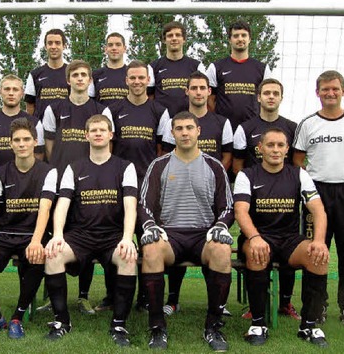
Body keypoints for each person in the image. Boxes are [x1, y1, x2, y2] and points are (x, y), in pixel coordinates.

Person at [139, 111, 234, 351]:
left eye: (189, 128)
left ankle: (213, 327)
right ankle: (157, 327)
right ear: (172, 133)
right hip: (170, 236)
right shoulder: (159, 165)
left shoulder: (214, 166)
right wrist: (151, 226)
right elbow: (145, 205)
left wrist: (221, 226)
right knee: (151, 250)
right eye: (179, 128)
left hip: (204, 235)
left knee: (222, 251)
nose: (184, 133)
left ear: (198, 131)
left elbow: (227, 207)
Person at [292, 70, 344, 327]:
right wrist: (310, 187)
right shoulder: (307, 124)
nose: (330, 93)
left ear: (343, 91)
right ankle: (316, 307)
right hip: (316, 194)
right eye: (325, 89)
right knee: (314, 250)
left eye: (335, 89)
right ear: (317, 92)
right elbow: (297, 162)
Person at [43, 114, 138, 347]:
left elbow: (130, 206)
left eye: (102, 130)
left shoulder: (125, 167)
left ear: (110, 134)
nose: (98, 134)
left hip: (112, 235)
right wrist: (57, 235)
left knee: (128, 258)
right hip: (80, 235)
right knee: (53, 255)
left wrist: (127, 238)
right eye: (93, 130)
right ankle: (62, 322)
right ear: (86, 136)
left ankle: (119, 325)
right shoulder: (73, 168)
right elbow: (62, 204)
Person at [234, 128, 329, 347]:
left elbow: (318, 210)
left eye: (280, 145)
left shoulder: (298, 174)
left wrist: (319, 241)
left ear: (287, 149)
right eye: (270, 145)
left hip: (289, 239)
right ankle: (258, 323)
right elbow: (241, 211)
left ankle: (309, 325)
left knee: (319, 256)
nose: (275, 150)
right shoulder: (247, 175)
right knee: (257, 252)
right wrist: (255, 237)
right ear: (260, 149)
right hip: (258, 236)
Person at [0, 117, 56, 339]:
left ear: (35, 142)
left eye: (27, 139)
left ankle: (17, 317)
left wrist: (37, 241)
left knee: (38, 256)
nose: (22, 144)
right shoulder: (0, 172)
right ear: (11, 144)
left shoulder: (48, 172)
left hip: (32, 234)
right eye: (17, 140)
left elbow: (44, 210)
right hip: (4, 233)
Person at [160, 71, 233, 316]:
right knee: (176, 233)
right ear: (187, 91)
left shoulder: (221, 122)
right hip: (179, 187)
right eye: (194, 88)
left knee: (213, 244)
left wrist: (211, 177)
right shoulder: (176, 122)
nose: (199, 92)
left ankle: (217, 306)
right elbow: (170, 154)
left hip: (208, 188)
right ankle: (172, 300)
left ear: (208, 91)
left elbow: (228, 157)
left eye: (203, 88)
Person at [43, 59, 112, 314]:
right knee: (55, 238)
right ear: (68, 79)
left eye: (84, 74)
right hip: (61, 185)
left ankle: (83, 296)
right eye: (75, 75)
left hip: (89, 186)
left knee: (88, 236)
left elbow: (105, 147)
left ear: (90, 80)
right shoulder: (54, 108)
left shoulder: (100, 110)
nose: (80, 78)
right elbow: (50, 147)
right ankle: (53, 295)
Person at [0, 74, 44, 313]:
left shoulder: (34, 121)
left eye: (15, 89)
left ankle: (22, 309)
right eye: (7, 89)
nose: (11, 93)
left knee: (31, 253)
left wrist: (25, 179)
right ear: (0, 92)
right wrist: (0, 178)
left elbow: (39, 157)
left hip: (27, 197)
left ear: (22, 93)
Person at [232, 78, 300, 321]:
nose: (271, 97)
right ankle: (256, 305)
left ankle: (286, 303)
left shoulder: (292, 127)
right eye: (266, 93)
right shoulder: (245, 128)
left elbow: (297, 165)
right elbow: (238, 164)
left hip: (285, 200)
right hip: (255, 197)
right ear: (258, 97)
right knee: (256, 250)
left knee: (290, 245)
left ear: (281, 97)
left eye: (276, 93)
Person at [108, 59, 170, 312]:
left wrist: (154, 181)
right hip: (119, 187)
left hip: (147, 187)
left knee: (148, 240)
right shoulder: (112, 110)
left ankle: (147, 298)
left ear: (148, 80)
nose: (136, 82)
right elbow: (108, 150)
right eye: (132, 77)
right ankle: (113, 297)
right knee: (116, 240)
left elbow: (163, 152)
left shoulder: (159, 111)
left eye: (141, 78)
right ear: (126, 80)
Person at [206, 20, 271, 130]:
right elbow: (209, 98)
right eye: (236, 36)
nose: (240, 39)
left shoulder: (263, 69)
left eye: (244, 35)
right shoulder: (215, 67)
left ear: (249, 39)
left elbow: (268, 98)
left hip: (253, 129)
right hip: (224, 129)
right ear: (230, 40)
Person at [148, 21, 205, 117]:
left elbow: (204, 95)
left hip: (189, 121)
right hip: (162, 121)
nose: (174, 38)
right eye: (170, 36)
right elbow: (149, 97)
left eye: (178, 35)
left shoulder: (197, 66)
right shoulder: (153, 67)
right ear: (164, 40)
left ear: (184, 39)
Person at [25, 28, 69, 119]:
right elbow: (29, 105)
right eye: (50, 43)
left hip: (66, 127)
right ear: (45, 46)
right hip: (41, 128)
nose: (53, 46)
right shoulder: (35, 74)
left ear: (64, 46)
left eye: (57, 43)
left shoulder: (72, 73)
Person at [89, 32, 129, 106]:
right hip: (102, 117)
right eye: (110, 45)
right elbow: (89, 102)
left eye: (118, 44)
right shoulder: (95, 75)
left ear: (124, 49)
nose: (114, 48)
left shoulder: (132, 74)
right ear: (106, 49)